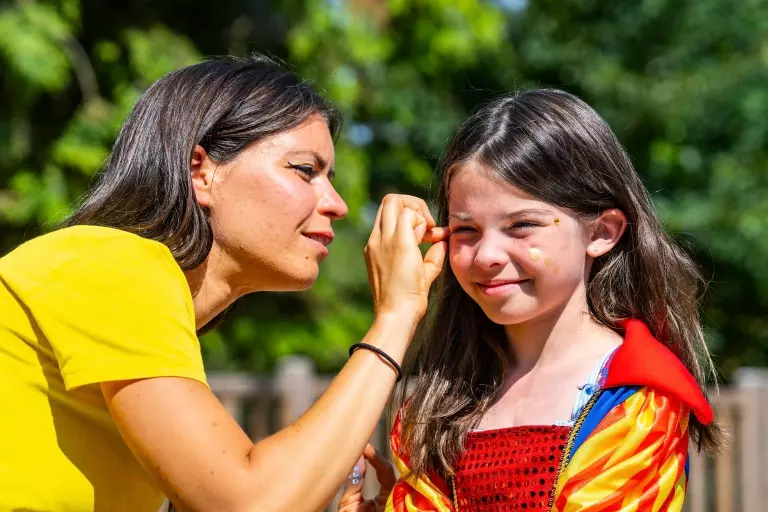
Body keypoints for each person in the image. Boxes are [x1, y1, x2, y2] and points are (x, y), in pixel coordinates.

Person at [0, 54, 447, 512]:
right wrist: (395, 316)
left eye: (329, 178)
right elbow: (249, 503)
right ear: (201, 171)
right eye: (304, 170)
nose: (337, 204)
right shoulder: (112, 263)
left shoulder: (135, 295)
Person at [368, 89, 723, 511]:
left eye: (521, 225)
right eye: (466, 230)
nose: (486, 255)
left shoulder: (640, 394)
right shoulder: (435, 405)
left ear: (601, 232)